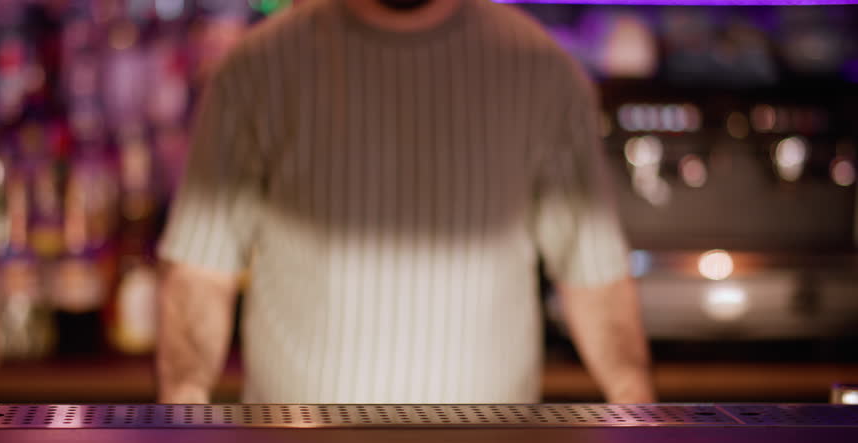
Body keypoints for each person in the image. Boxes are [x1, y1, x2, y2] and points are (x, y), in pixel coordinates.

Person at [156, 0, 656, 404]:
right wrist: (183, 404)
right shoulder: (255, 70)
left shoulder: (545, 73)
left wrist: (636, 409)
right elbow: (200, 271)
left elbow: (594, 277)